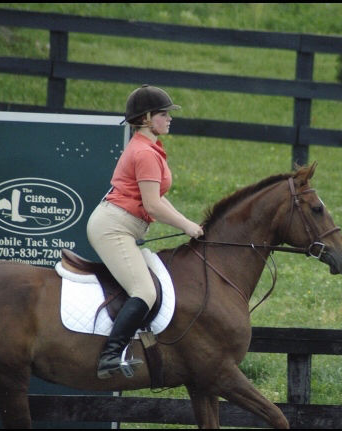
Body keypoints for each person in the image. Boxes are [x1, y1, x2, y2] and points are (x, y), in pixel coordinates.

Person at [87, 84, 203, 379]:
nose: (169, 118)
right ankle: (109, 356)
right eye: (163, 114)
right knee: (145, 291)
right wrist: (186, 226)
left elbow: (157, 198)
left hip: (121, 226)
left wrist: (188, 222)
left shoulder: (150, 149)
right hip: (113, 228)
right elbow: (152, 205)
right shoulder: (145, 153)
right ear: (146, 118)